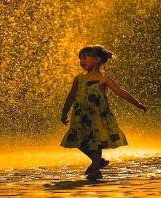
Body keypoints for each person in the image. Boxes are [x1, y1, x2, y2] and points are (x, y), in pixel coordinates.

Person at [60, 45, 147, 180]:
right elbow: (71, 96)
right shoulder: (79, 79)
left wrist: (138, 104)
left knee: (96, 142)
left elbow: (121, 92)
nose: (81, 62)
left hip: (98, 116)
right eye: (80, 59)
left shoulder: (104, 78)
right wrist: (64, 111)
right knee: (78, 141)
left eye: (84, 58)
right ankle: (97, 162)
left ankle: (95, 169)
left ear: (96, 59)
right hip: (80, 116)